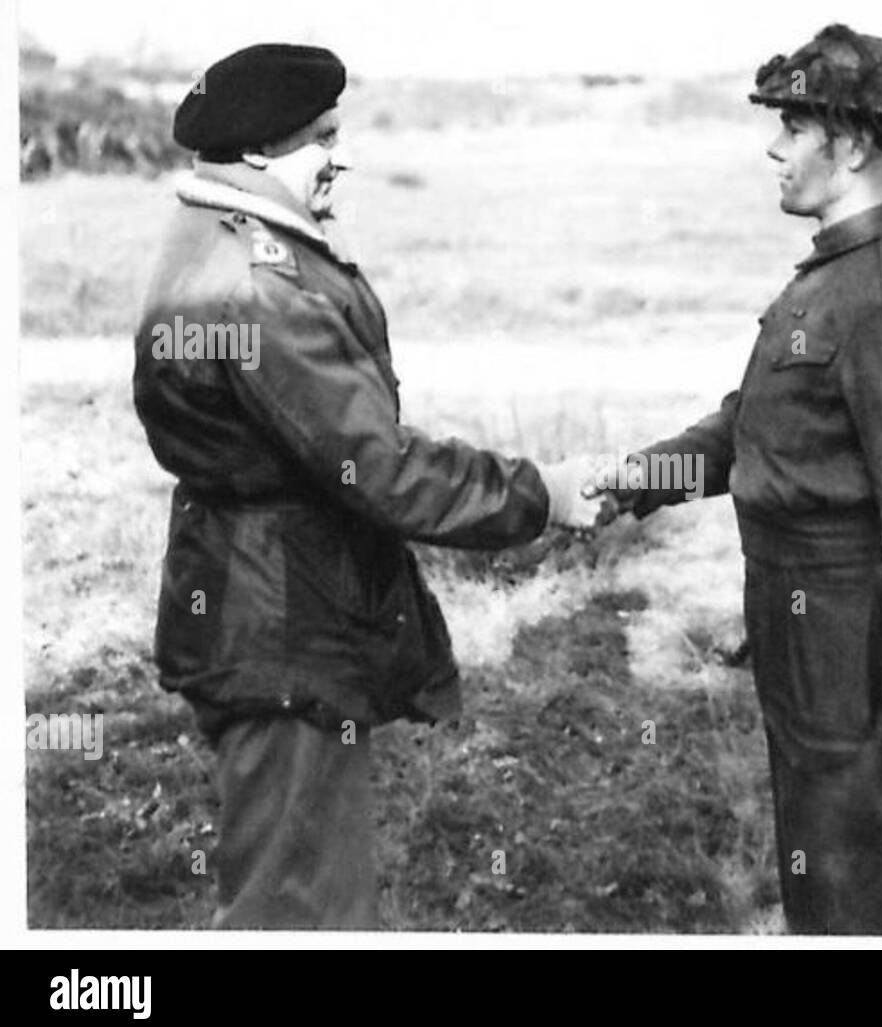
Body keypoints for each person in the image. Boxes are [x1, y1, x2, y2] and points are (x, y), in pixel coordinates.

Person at [132, 43, 601, 928]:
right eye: (323, 137)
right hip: (281, 624)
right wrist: (547, 493)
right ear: (261, 155)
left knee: (294, 880)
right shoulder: (256, 290)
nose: (338, 156)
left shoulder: (213, 239)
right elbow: (379, 467)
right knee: (299, 903)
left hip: (257, 603)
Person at [591, 24, 882, 934]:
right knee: (827, 893)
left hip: (859, 655)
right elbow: (756, 426)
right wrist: (635, 480)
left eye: (794, 130)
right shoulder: (834, 278)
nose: (774, 149)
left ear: (851, 145)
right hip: (812, 647)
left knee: (873, 904)